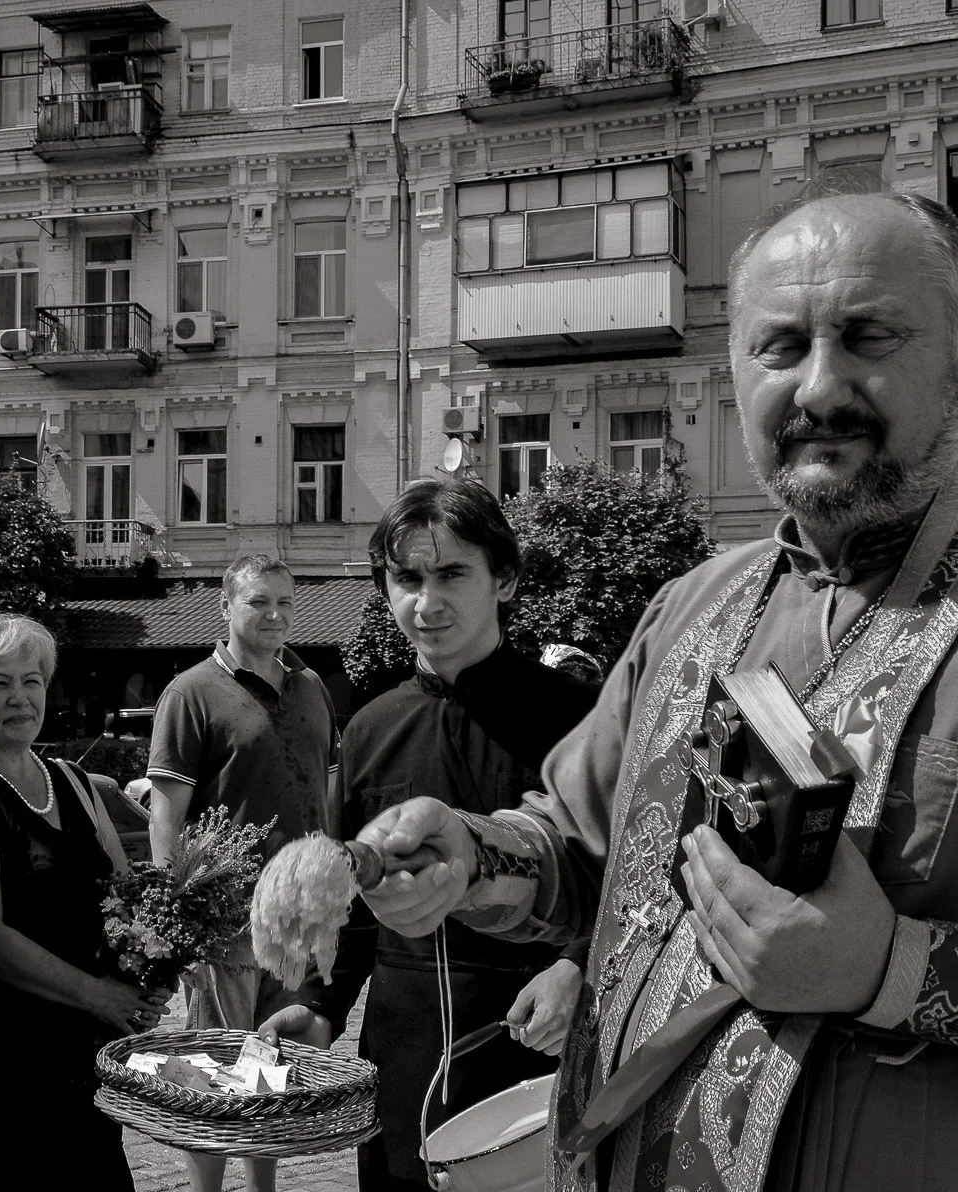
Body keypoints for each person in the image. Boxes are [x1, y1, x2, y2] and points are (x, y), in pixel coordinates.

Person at [353, 187, 958, 1192]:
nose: (817, 387)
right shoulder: (692, 604)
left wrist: (893, 967)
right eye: (779, 346)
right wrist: (472, 852)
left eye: (868, 335)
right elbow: (581, 847)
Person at [324, 477, 598, 1192]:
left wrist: (580, 967)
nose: (426, 601)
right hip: (404, 1051)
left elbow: (638, 876)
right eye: (406, 578)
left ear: (504, 580)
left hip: (536, 1043)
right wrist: (316, 1008)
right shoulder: (369, 728)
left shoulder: (579, 717)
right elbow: (351, 897)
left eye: (451, 574)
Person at [0, 614, 168, 1192]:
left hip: (87, 1049)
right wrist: (101, 995)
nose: (20, 698)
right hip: (8, 1056)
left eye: (31, 681)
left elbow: (125, 893)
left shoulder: (74, 781)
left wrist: (154, 965)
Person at [145, 553, 338, 1192]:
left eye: (285, 601)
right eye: (259, 602)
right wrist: (174, 915)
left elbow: (322, 793)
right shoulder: (191, 692)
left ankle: (262, 1190)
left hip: (299, 920)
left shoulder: (311, 688)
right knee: (216, 1072)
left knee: (274, 1067)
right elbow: (165, 819)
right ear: (225, 607)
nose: (276, 615)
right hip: (223, 919)